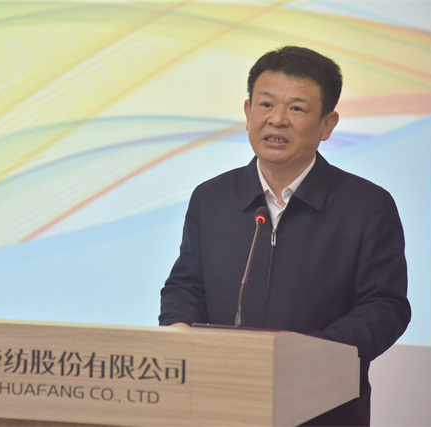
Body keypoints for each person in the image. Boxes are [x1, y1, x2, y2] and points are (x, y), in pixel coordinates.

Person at [158, 46, 411, 426]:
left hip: (323, 406)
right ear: (248, 113)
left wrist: (308, 354)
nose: (277, 119)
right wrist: (179, 330)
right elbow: (186, 286)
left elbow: (385, 306)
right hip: (219, 402)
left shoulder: (367, 205)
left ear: (327, 125)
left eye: (296, 108)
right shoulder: (211, 198)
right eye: (266, 105)